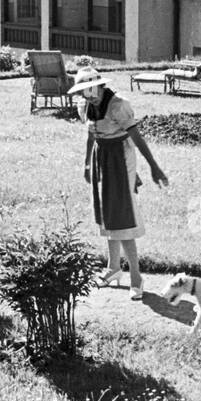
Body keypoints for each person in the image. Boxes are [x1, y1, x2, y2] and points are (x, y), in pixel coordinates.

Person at [69, 66, 169, 300]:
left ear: (97, 86)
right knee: (106, 212)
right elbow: (91, 136)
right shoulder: (85, 106)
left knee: (122, 214)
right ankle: (113, 268)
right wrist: (86, 164)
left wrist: (154, 167)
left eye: (87, 90)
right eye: (81, 91)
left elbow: (136, 138)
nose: (84, 95)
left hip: (120, 157)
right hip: (101, 156)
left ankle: (136, 276)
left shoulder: (118, 105)